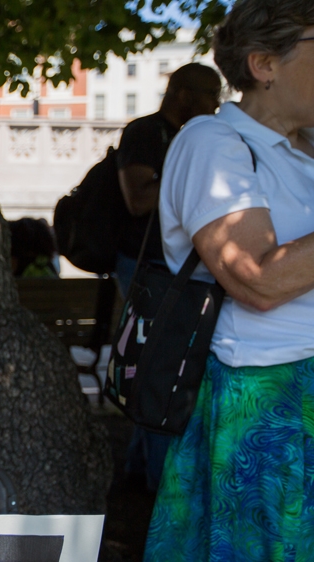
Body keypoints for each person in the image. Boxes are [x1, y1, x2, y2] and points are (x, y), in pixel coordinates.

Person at [144, 1, 314, 559]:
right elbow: (258, 282)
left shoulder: (303, 150)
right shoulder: (213, 143)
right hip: (266, 401)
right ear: (264, 64)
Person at [113, 63, 223, 296]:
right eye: (212, 94)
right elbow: (138, 201)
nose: (217, 104)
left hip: (179, 263)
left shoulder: (188, 135)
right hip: (148, 264)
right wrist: (194, 176)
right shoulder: (144, 131)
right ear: (184, 96)